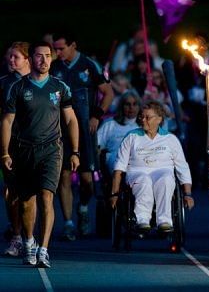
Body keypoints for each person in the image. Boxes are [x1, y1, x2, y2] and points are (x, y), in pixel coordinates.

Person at [1, 41, 80, 268]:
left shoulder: (60, 87)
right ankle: (28, 242)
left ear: (52, 59)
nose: (43, 60)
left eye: (48, 56)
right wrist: (4, 153)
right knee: (26, 202)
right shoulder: (17, 88)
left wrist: (75, 151)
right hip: (24, 150)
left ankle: (43, 250)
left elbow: (71, 119)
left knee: (47, 196)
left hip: (52, 149)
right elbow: (7, 121)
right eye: (39, 56)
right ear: (31, 59)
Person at [51, 31, 114, 240]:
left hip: (85, 131)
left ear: (73, 45)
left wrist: (96, 115)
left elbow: (108, 92)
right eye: (55, 48)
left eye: (61, 48)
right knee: (64, 176)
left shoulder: (89, 64)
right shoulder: (53, 66)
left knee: (87, 180)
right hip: (61, 130)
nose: (57, 52)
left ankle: (84, 207)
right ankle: (68, 222)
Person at [110, 100, 194, 232]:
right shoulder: (131, 137)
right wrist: (114, 194)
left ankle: (164, 221)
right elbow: (119, 167)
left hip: (163, 171)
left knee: (166, 179)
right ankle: (142, 220)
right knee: (144, 180)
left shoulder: (170, 139)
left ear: (159, 119)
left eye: (148, 117)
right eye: (141, 116)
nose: (143, 120)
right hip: (137, 172)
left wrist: (187, 194)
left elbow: (182, 167)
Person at [0, 42, 31, 257]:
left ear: (27, 60)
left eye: (16, 57)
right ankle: (17, 235)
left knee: (33, 194)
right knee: (11, 192)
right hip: (11, 145)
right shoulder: (3, 83)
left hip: (36, 145)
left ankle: (32, 237)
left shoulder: (40, 81)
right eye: (10, 57)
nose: (11, 61)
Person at [97, 90, 141, 175]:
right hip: (115, 160)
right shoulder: (110, 124)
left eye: (135, 104)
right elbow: (97, 146)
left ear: (139, 106)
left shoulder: (145, 125)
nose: (131, 107)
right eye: (127, 104)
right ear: (122, 106)